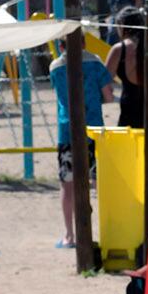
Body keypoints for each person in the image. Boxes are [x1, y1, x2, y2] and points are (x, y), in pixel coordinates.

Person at [48, 41, 114, 248]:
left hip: (67, 130)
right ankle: (108, 232)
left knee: (67, 186)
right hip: (93, 129)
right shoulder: (95, 63)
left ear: (60, 47)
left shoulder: (56, 67)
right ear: (83, 42)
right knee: (100, 183)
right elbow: (109, 96)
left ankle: (69, 235)